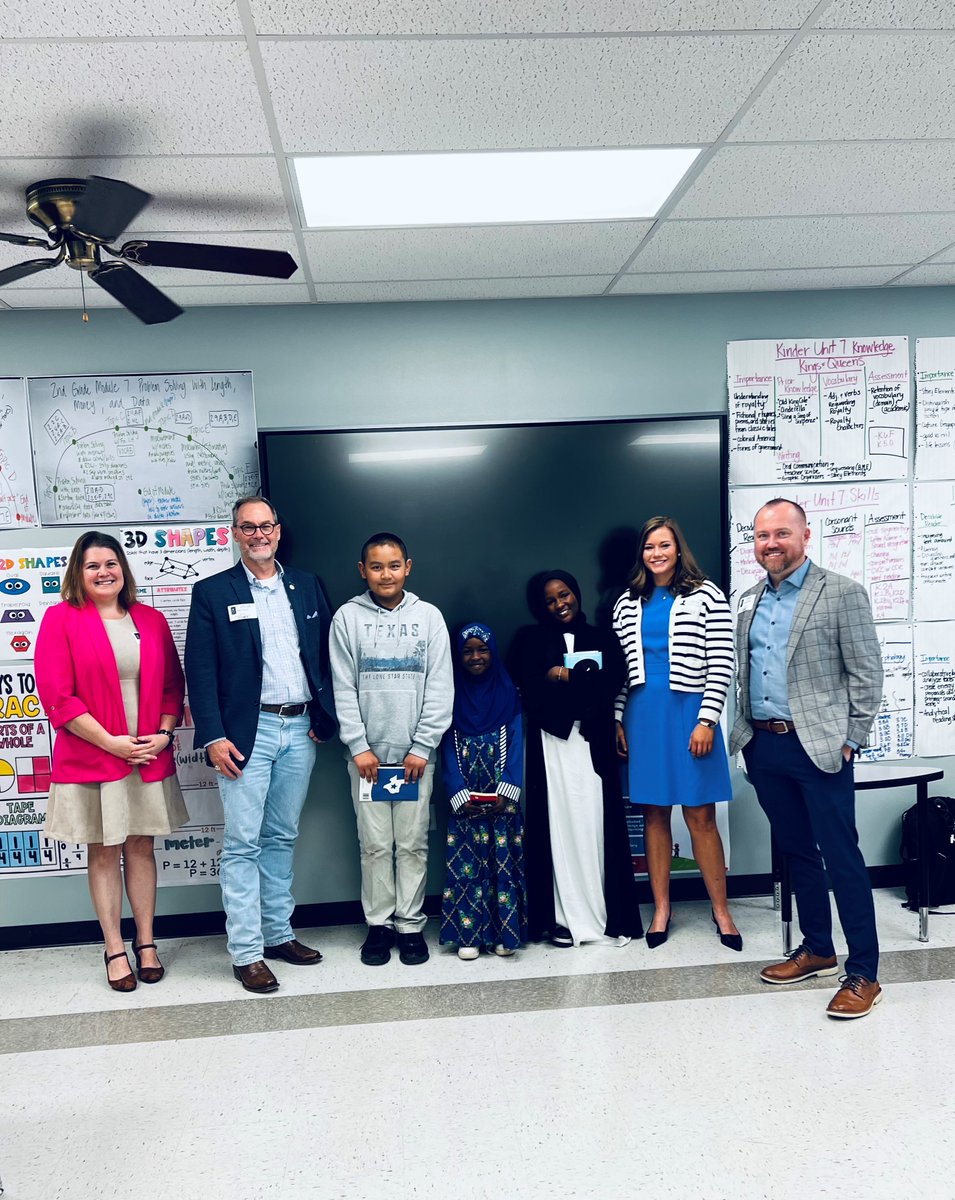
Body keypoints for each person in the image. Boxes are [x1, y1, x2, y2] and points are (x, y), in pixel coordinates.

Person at [730, 498, 884, 1019]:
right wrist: (747, 738)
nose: (770, 544)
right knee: (797, 853)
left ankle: (864, 972)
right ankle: (818, 947)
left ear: (805, 535)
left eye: (780, 533)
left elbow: (866, 673)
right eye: (761, 535)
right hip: (765, 746)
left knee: (842, 857)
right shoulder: (748, 600)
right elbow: (744, 674)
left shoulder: (841, 593)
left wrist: (853, 737)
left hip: (819, 747)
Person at [184, 496, 337, 994]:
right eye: (247, 527)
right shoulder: (212, 592)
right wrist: (212, 735)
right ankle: (246, 953)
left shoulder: (307, 585)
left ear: (277, 530)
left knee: (281, 838)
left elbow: (324, 657)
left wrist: (323, 713)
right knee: (244, 844)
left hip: (299, 731)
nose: (258, 534)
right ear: (234, 532)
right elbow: (200, 672)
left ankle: (279, 935)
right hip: (246, 735)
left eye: (266, 525)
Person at [36, 531, 186, 991]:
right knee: (103, 850)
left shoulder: (151, 619)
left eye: (110, 563)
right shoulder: (61, 620)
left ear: (123, 568)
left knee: (141, 846)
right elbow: (58, 698)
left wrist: (161, 735)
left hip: (146, 752)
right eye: (92, 565)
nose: (103, 572)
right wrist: (112, 743)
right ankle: (114, 948)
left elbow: (171, 688)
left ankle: (146, 943)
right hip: (93, 756)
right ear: (77, 575)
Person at [613, 516, 741, 951]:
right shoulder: (627, 601)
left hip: (690, 713)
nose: (657, 554)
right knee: (653, 814)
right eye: (649, 547)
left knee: (701, 816)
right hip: (643, 715)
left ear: (678, 548)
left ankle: (721, 910)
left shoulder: (707, 595)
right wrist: (616, 717)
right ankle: (662, 909)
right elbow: (619, 671)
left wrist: (707, 720)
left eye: (664, 545)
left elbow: (723, 661)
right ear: (642, 554)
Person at [330, 532, 453, 967]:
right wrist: (359, 746)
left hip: (415, 761)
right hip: (367, 762)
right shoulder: (347, 618)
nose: (387, 574)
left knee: (414, 844)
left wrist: (422, 747)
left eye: (394, 565)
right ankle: (379, 926)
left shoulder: (429, 617)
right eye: (377, 566)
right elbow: (342, 687)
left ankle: (411, 926)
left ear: (408, 566)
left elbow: (440, 687)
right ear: (363, 570)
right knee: (375, 845)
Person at [509, 570, 643, 947]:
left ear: (577, 593)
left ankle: (602, 914)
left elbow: (614, 681)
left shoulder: (603, 637)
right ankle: (559, 918)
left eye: (564, 594)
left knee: (594, 824)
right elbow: (528, 687)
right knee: (556, 824)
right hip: (551, 744)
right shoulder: (530, 639)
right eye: (550, 600)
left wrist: (561, 675)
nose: (559, 604)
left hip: (594, 742)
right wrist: (573, 681)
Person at [439, 622, 528, 960]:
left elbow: (517, 744)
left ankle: (505, 935)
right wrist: (459, 793)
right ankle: (469, 936)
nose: (475, 656)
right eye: (467, 650)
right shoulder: (450, 694)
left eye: (482, 649)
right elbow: (446, 745)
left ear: (493, 651)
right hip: (466, 805)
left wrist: (507, 791)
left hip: (501, 803)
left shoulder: (508, 693)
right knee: (468, 867)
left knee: (501, 864)